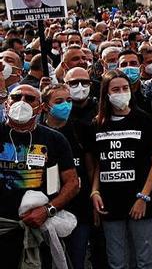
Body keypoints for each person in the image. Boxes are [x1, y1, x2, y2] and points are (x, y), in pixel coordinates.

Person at [86, 70, 152, 269]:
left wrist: (144, 197)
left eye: (125, 88)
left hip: (140, 200)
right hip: (110, 202)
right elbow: (98, 163)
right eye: (115, 89)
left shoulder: (143, 120)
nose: (121, 92)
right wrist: (95, 191)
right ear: (106, 93)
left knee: (146, 260)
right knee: (116, 261)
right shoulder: (97, 124)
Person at [0, 84, 79, 268]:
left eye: (29, 99)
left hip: (38, 229)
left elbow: (72, 183)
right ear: (6, 104)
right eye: (17, 97)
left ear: (41, 107)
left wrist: (48, 210)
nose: (22, 102)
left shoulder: (55, 139)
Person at [40, 83, 91, 269]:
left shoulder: (81, 130)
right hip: (45, 211)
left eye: (69, 100)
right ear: (45, 106)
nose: (66, 105)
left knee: (76, 260)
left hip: (79, 208)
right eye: (59, 101)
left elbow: (91, 167)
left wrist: (93, 195)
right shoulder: (37, 133)